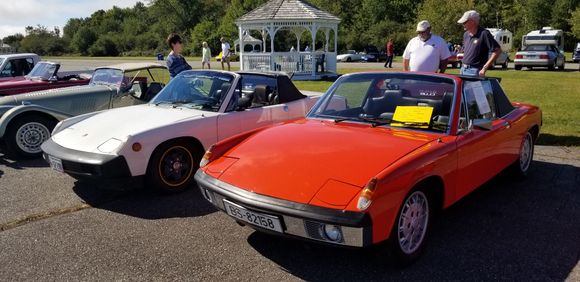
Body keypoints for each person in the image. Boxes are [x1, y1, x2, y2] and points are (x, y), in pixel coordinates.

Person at [457, 10, 501, 76]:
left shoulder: (484, 33)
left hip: (475, 71)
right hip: (463, 69)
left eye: (465, 22)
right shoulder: (465, 34)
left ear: (472, 22)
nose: (463, 24)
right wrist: (461, 49)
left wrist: (484, 68)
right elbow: (469, 51)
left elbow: (497, 50)